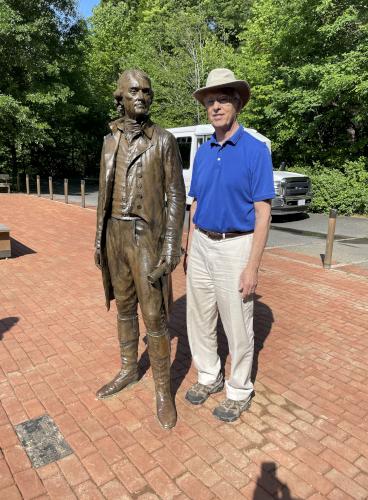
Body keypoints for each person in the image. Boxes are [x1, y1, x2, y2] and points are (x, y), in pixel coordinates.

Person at [94, 69, 185, 429]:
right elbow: (104, 192)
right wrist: (98, 239)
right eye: (134, 91)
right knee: (124, 308)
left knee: (155, 316)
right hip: (114, 235)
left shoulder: (163, 140)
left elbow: (176, 196)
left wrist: (171, 246)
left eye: (147, 91)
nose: (142, 97)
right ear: (120, 96)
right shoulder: (108, 140)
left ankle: (163, 391)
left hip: (146, 238)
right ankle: (129, 369)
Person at [185, 68, 275, 422]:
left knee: (238, 323)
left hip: (237, 246)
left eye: (223, 99)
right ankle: (208, 375)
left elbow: (263, 213)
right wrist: (190, 248)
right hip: (203, 244)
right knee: (199, 317)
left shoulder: (255, 151)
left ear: (237, 103)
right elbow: (195, 204)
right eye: (210, 101)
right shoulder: (203, 152)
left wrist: (252, 266)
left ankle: (239, 389)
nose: (216, 106)